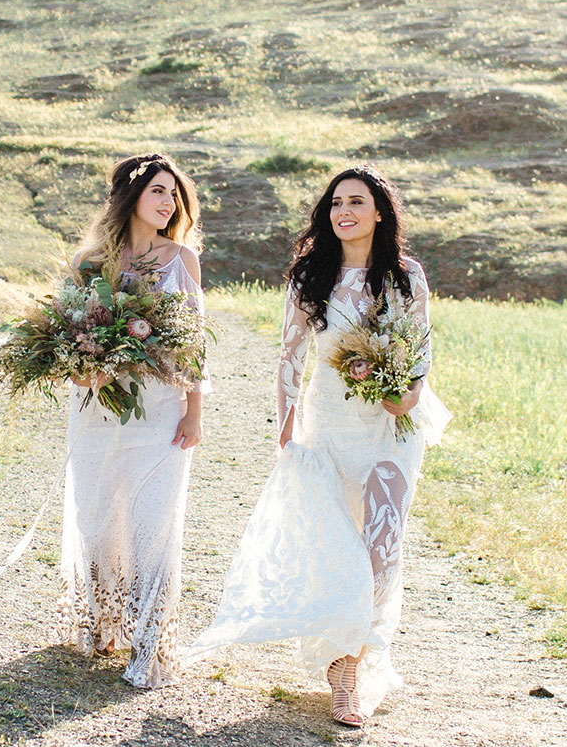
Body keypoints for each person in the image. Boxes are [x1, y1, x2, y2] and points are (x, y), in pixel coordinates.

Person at [185, 165, 449, 727]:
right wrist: (285, 422)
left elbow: (421, 349)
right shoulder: (311, 277)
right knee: (337, 547)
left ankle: (351, 670)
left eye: (357, 201)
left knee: (382, 547)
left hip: (392, 431)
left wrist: (409, 394)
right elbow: (289, 355)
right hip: (327, 426)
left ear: (381, 212)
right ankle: (339, 651)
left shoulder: (407, 277)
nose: (344, 211)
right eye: (335, 203)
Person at [59, 153, 207, 688]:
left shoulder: (182, 261)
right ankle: (104, 622)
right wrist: (82, 370)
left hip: (161, 411)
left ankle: (151, 643)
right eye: (159, 193)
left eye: (175, 195)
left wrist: (194, 409)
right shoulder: (90, 262)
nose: (170, 204)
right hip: (99, 409)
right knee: (98, 514)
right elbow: (64, 337)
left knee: (153, 522)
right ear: (131, 198)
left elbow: (194, 340)